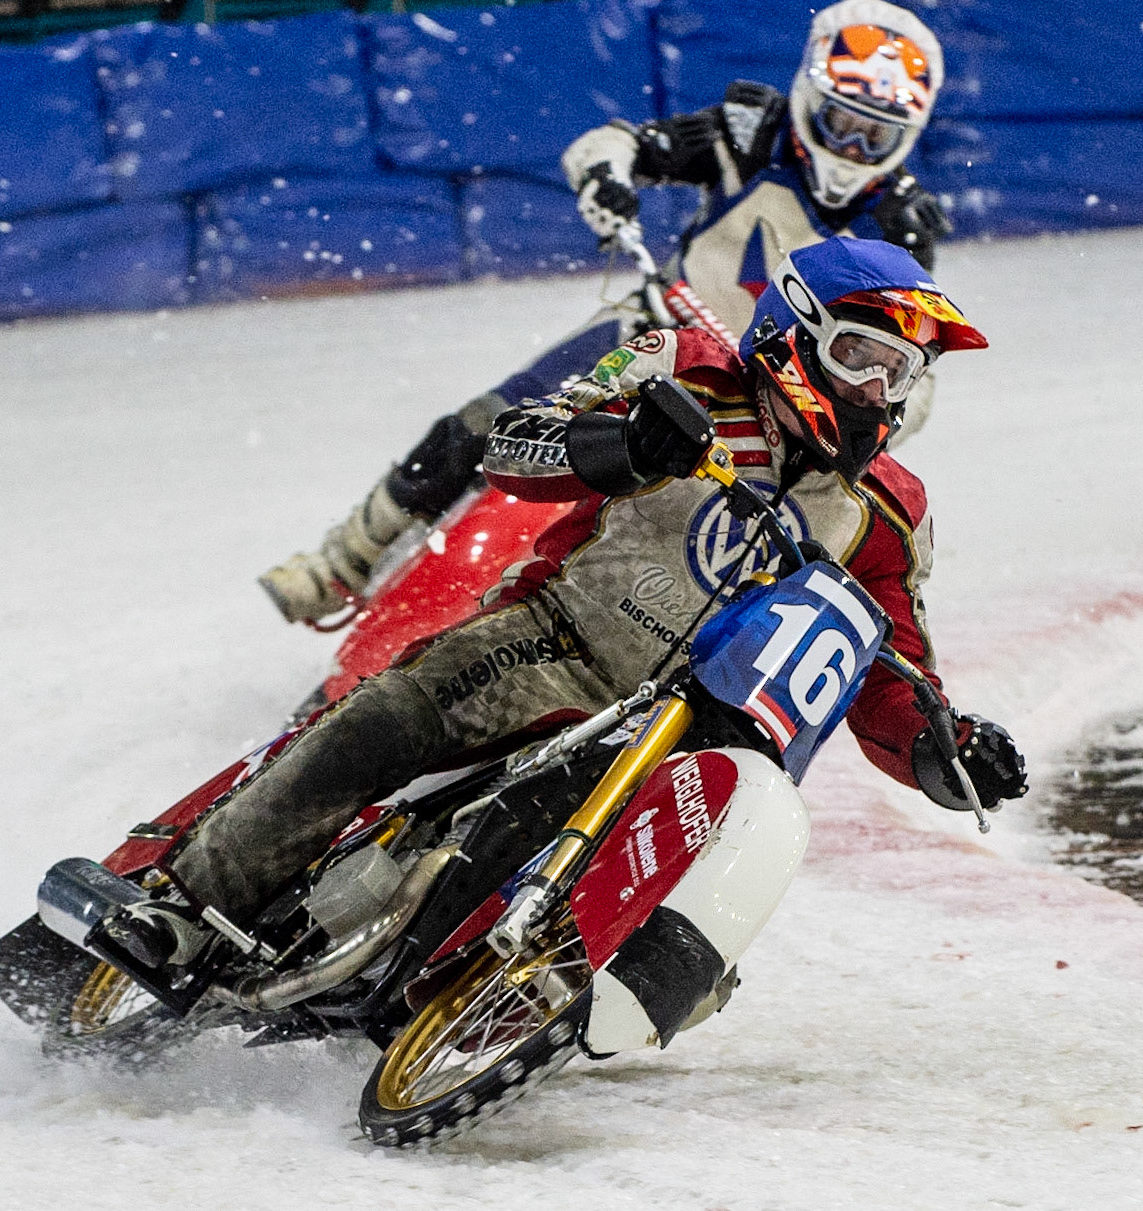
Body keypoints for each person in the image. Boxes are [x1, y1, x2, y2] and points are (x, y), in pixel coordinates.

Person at [104, 238, 1026, 971]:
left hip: (687, 735)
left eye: (898, 372)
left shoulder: (887, 513)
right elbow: (512, 443)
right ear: (792, 328)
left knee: (705, 868)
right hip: (558, 641)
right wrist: (614, 444)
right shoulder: (679, 363)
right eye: (858, 355)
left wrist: (942, 750)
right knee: (383, 720)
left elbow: (883, 661)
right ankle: (186, 905)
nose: (874, 390)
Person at [259, 0, 956, 624]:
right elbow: (615, 144)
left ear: (908, 136)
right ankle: (339, 563)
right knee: (485, 424)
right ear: (809, 96)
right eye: (840, 122)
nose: (850, 150)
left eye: (875, 136)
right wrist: (607, 179)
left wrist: (866, 411)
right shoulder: (750, 133)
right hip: (656, 329)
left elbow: (913, 367)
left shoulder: (901, 222)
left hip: (776, 403)